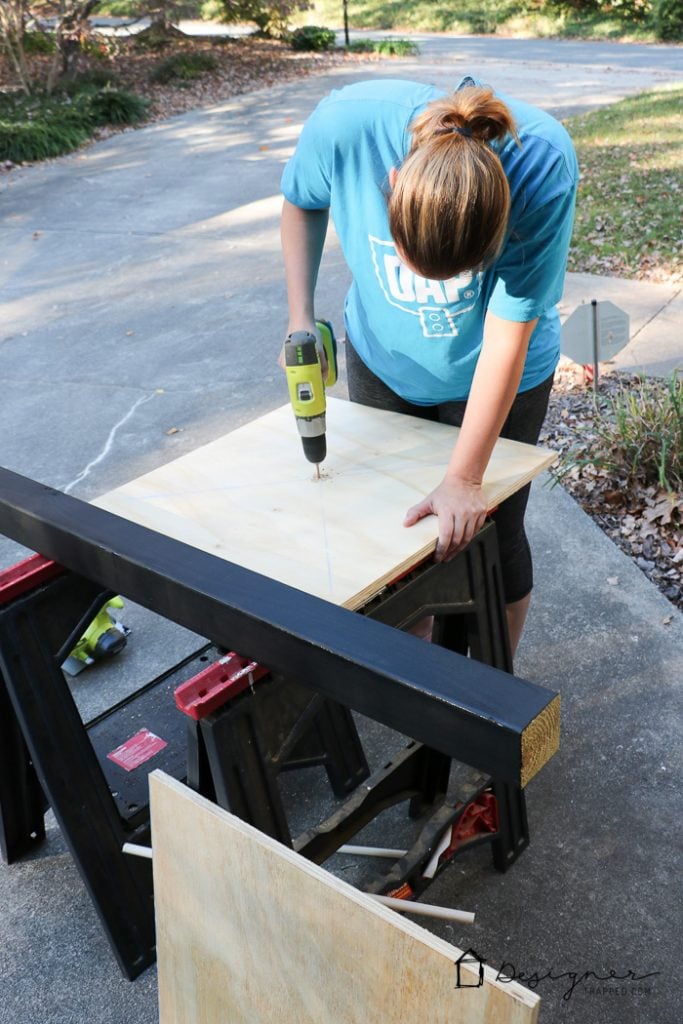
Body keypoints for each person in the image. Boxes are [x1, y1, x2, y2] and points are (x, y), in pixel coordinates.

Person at [280, 77, 578, 655]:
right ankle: (418, 659)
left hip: (496, 372)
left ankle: (487, 683)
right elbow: (302, 201)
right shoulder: (348, 126)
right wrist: (299, 318)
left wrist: (465, 480)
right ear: (393, 186)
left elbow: (507, 329)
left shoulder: (541, 165)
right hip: (383, 359)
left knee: (490, 530)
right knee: (396, 521)